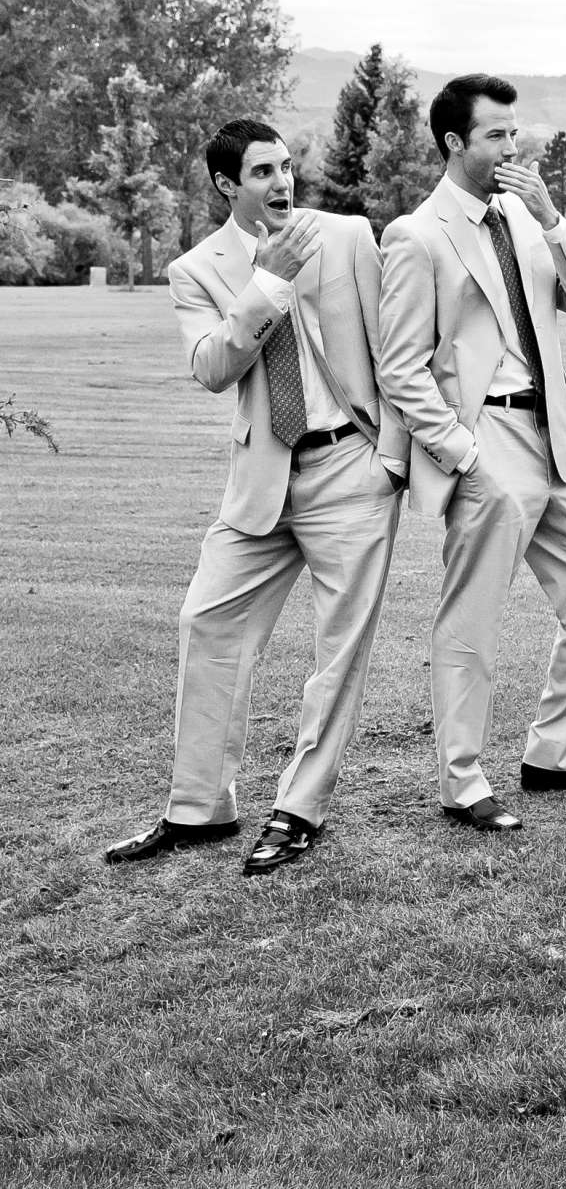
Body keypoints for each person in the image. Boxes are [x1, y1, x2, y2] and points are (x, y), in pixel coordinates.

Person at [103, 120, 408, 875]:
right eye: (263, 171)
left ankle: (299, 810)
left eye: (286, 167)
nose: (282, 182)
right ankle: (200, 808)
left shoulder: (345, 236)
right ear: (225, 186)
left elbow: (392, 346)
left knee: (340, 647)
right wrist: (266, 280)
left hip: (350, 467)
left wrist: (392, 457)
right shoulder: (196, 269)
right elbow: (211, 366)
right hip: (262, 478)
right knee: (206, 620)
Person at [378, 74, 566, 833]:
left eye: (514, 133)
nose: (512, 148)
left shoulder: (525, 218)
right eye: (496, 135)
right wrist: (463, 453)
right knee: (473, 620)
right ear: (455, 142)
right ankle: (462, 781)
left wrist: (554, 217)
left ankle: (554, 752)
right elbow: (400, 367)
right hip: (486, 442)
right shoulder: (417, 234)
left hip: (556, 437)